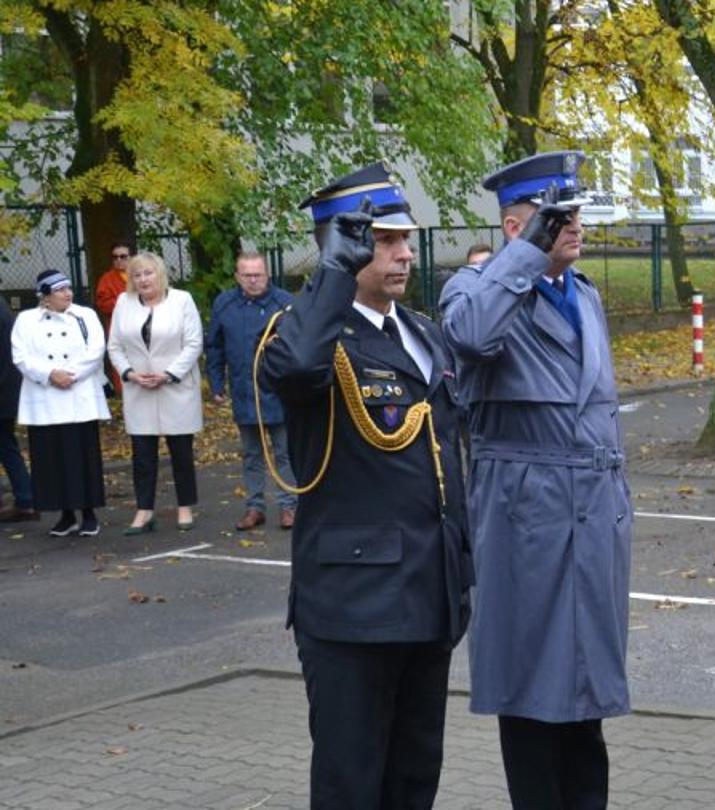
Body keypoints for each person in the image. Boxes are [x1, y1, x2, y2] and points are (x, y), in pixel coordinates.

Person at [258, 162, 472, 810]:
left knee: (413, 779)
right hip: (354, 605)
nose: (404, 253)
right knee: (352, 784)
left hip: (427, 595)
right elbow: (295, 369)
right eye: (383, 241)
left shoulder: (421, 333)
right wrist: (331, 275)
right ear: (340, 244)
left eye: (404, 239)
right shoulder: (305, 335)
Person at [440, 151, 629, 810]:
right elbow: (469, 335)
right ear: (517, 229)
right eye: (557, 216)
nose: (573, 224)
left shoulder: (585, 295)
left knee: (586, 699)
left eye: (574, 213)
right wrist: (522, 258)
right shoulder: (474, 288)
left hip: (593, 513)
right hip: (530, 518)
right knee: (530, 691)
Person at [107, 252, 203, 534]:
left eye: (148, 273)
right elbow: (114, 346)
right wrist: (129, 373)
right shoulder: (123, 303)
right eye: (136, 275)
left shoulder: (182, 300)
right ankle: (144, 511)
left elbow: (194, 343)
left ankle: (185, 507)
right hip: (139, 388)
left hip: (175, 386)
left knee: (181, 452)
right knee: (142, 454)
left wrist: (169, 374)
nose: (142, 279)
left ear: (160, 274)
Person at [11, 270, 109, 537]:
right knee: (51, 458)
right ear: (45, 295)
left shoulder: (84, 315)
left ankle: (88, 513)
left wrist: (71, 375)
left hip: (78, 395)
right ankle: (65, 515)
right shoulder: (26, 320)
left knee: (83, 456)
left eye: (68, 288)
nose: (68, 293)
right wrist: (50, 374)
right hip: (45, 398)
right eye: (60, 290)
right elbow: (21, 356)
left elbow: (96, 349)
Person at [207, 250, 299, 530]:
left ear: (267, 275)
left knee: (286, 452)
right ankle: (254, 507)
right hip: (244, 392)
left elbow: (300, 347)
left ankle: (290, 506)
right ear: (237, 276)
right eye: (247, 275)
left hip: (281, 394)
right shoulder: (224, 304)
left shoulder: (286, 303)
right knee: (251, 453)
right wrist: (216, 384)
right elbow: (214, 347)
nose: (253, 280)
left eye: (258, 275)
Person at [0, 300, 35, 523]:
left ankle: (26, 499)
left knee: (6, 446)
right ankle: (25, 499)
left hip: (3, 388)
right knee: (6, 445)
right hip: (8, 389)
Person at [96, 240, 132, 397]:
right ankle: (124, 396)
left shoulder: (140, 275)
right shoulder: (107, 279)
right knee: (120, 364)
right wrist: (125, 301)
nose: (119, 260)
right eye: (115, 257)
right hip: (119, 329)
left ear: (131, 257)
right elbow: (103, 304)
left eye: (123, 256)